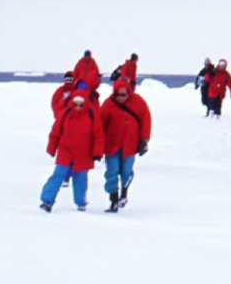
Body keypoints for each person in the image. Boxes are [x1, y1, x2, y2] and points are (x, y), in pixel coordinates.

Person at [41, 88, 101, 212]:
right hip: (65, 151)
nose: (78, 107)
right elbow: (55, 132)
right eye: (75, 104)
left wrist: (97, 152)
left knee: (80, 179)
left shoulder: (92, 115)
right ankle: (47, 201)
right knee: (58, 175)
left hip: (84, 154)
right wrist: (51, 148)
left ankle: (81, 203)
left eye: (81, 104)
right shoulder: (65, 114)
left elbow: (98, 135)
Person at [97, 78, 152, 213]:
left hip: (130, 145)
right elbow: (99, 126)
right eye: (118, 95)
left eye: (124, 95)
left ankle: (124, 193)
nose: (121, 98)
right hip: (112, 145)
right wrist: (97, 147)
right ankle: (113, 200)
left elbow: (146, 120)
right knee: (112, 172)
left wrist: (144, 140)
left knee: (126, 172)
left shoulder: (138, 102)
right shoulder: (108, 105)